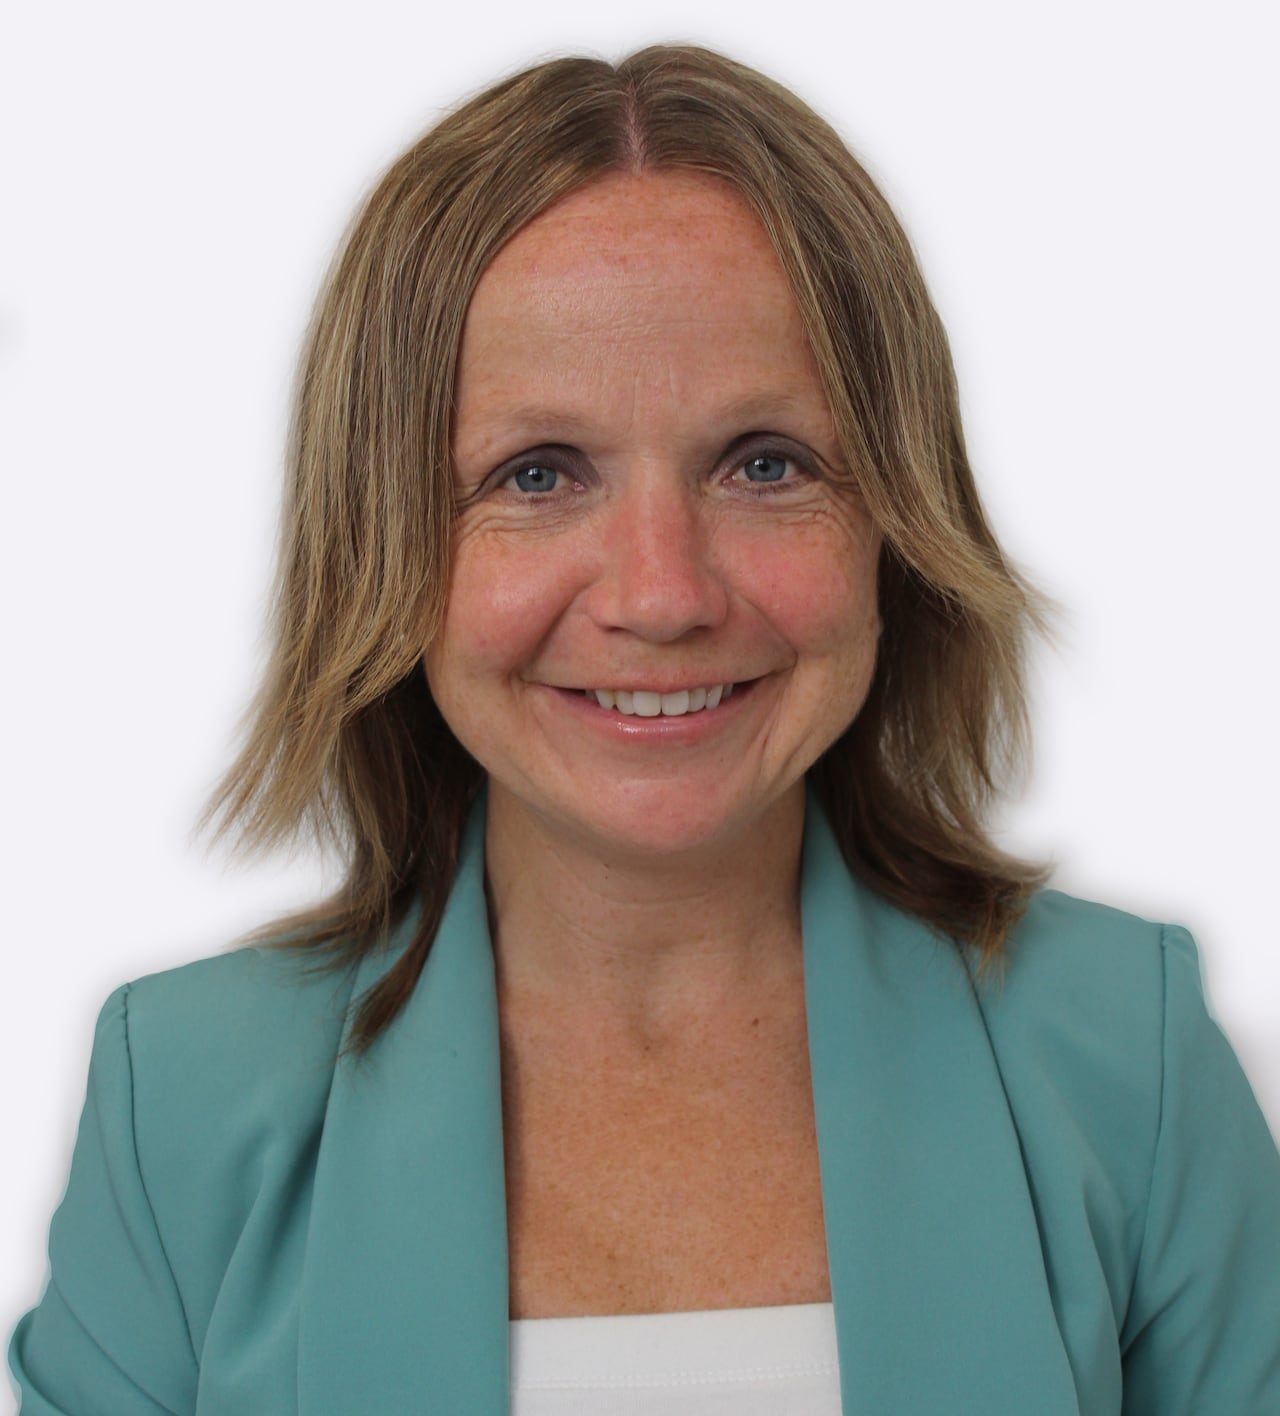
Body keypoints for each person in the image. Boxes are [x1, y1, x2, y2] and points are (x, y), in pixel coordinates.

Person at [9, 44, 1280, 1416]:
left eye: (766, 463)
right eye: (536, 474)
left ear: (896, 526)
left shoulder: (1125, 1061)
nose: (663, 594)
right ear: (383, 548)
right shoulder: (183, 1101)